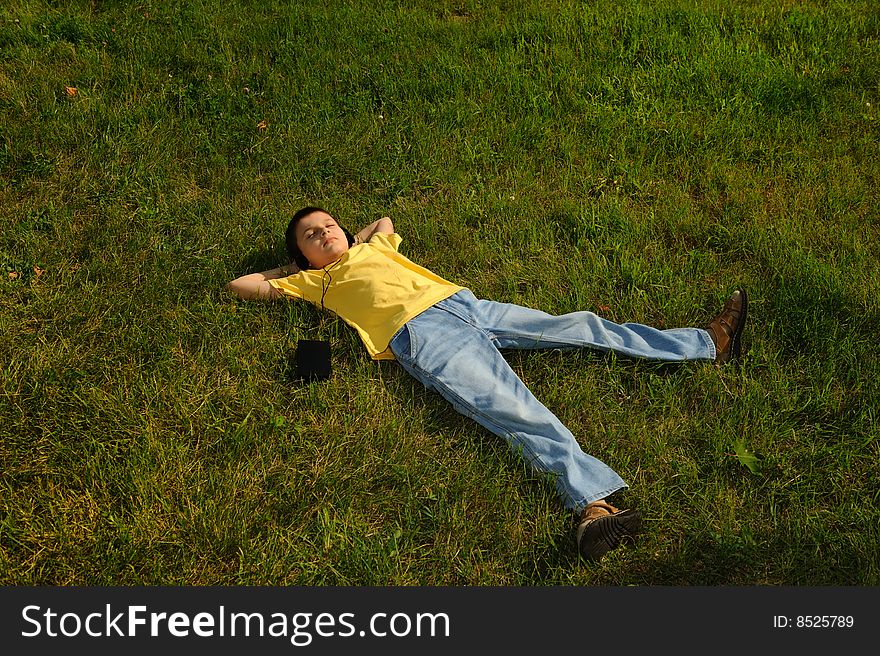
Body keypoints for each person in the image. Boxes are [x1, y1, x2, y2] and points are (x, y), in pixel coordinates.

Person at [227, 207, 748, 562]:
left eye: (329, 225)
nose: (324, 234)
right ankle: (592, 508)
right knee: (512, 409)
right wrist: (294, 268)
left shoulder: (375, 246)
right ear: (300, 256)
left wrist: (354, 241)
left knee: (581, 325)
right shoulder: (313, 282)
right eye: (310, 236)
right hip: (423, 337)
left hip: (466, 305)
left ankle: (706, 343)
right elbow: (241, 285)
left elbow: (383, 220)